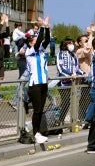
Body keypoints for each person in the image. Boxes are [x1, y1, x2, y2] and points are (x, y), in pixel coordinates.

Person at [26, 16, 52, 144]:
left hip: (43, 83)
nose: (38, 41)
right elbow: (39, 40)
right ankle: (35, 133)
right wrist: (41, 26)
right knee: (37, 110)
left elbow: (46, 40)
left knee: (41, 109)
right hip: (35, 83)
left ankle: (38, 132)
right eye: (35, 40)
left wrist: (47, 27)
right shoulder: (29, 51)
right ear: (31, 42)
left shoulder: (41, 51)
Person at [56, 37, 84, 126]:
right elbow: (61, 68)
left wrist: (84, 73)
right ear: (65, 45)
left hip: (73, 83)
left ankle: (71, 121)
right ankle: (59, 120)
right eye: (69, 43)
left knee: (71, 102)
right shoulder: (60, 54)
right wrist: (71, 73)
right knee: (65, 102)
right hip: (63, 82)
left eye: (72, 43)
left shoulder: (73, 55)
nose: (71, 45)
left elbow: (77, 68)